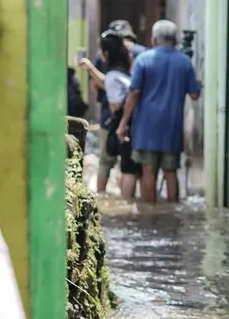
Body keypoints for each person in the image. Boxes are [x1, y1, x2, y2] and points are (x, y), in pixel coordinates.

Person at [116, 20, 200, 203]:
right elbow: (194, 94)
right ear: (175, 40)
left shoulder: (143, 59)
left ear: (154, 39)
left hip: (146, 126)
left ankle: (151, 212)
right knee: (170, 171)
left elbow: (134, 93)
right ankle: (172, 211)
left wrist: (123, 123)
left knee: (148, 169)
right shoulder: (184, 62)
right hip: (172, 125)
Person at [86, 20, 146, 193]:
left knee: (108, 162)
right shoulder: (141, 54)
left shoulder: (109, 68)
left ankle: (104, 198)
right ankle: (136, 203)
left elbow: (98, 87)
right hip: (138, 121)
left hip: (117, 121)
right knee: (134, 167)